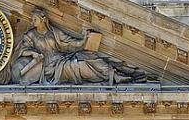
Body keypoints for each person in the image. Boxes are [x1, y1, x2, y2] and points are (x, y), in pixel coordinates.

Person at [11, 8, 148, 85]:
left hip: (61, 60)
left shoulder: (54, 32)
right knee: (79, 65)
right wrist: (33, 54)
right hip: (48, 68)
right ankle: (114, 75)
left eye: (35, 19)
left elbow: (70, 43)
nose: (32, 21)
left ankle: (115, 74)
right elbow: (22, 50)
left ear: (43, 19)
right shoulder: (30, 35)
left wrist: (84, 40)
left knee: (90, 56)